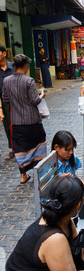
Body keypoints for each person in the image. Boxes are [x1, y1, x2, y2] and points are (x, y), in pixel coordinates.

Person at [2, 54, 47, 184]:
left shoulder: (6, 80)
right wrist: (42, 95)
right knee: (38, 144)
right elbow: (35, 100)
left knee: (20, 147)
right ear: (26, 66)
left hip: (16, 121)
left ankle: (23, 176)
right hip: (32, 120)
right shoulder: (29, 81)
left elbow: (5, 99)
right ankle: (39, 172)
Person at [0, 45, 14, 160]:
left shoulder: (13, 67)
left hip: (16, 101)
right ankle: (13, 149)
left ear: (4, 54)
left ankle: (21, 148)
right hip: (4, 103)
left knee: (19, 125)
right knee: (7, 126)